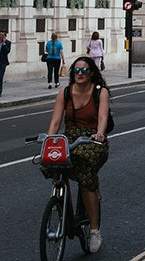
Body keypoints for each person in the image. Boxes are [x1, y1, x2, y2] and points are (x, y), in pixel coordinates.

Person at [46, 56, 110, 253]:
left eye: (84, 70)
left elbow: (102, 117)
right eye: (76, 70)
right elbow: (56, 122)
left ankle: (94, 230)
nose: (80, 74)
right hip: (70, 137)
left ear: (91, 73)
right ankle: (59, 198)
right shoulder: (64, 93)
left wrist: (99, 133)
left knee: (85, 174)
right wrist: (50, 140)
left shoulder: (100, 92)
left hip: (92, 139)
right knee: (49, 160)